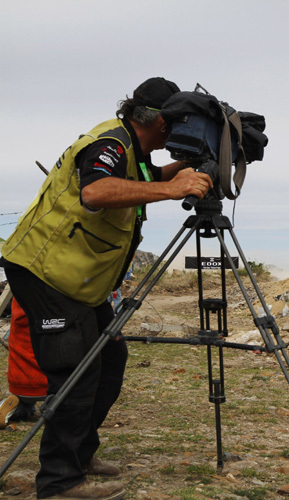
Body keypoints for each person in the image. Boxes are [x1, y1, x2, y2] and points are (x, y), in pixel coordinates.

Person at [0, 77, 213, 500]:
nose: (176, 134)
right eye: (176, 125)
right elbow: (96, 190)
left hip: (78, 281)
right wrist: (172, 189)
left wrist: (184, 170)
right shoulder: (110, 144)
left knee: (110, 357)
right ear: (159, 123)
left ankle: (79, 455)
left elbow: (144, 175)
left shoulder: (131, 151)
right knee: (76, 370)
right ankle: (59, 483)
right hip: (46, 272)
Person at [1, 299, 48, 429]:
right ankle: (52, 408)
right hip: (53, 382)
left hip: (20, 382)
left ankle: (12, 406)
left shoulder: (20, 293)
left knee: (22, 401)